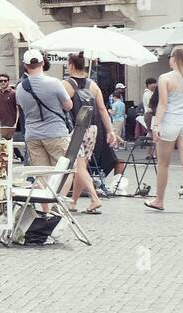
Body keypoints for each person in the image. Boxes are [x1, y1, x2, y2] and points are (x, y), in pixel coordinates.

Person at [62, 52, 117, 213]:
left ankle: (94, 198)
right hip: (92, 129)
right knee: (82, 166)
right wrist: (110, 131)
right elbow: (102, 110)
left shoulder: (66, 85)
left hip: (76, 129)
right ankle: (73, 202)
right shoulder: (93, 85)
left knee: (78, 167)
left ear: (71, 65)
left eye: (67, 63)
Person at [143, 46, 183, 212]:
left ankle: (159, 200)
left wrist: (155, 125)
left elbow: (163, 104)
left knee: (163, 164)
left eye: (171, 56)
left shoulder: (165, 78)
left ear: (175, 58)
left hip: (169, 123)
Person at [14, 49, 73, 167]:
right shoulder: (54, 83)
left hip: (33, 135)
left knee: (41, 174)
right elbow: (68, 106)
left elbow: (22, 108)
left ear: (26, 65)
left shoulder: (20, 88)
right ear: (43, 63)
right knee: (62, 172)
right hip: (55, 133)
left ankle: (42, 187)